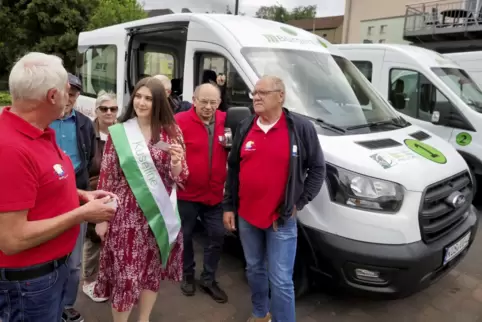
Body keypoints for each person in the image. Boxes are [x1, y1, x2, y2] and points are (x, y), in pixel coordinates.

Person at [0, 52, 116, 322]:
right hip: (28, 284)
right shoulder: (10, 149)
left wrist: (81, 196)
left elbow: (41, 187)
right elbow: (11, 239)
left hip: (48, 273)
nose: (70, 97)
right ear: (53, 96)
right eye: (67, 91)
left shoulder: (38, 131)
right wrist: (83, 214)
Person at [222, 76, 326, 322]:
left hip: (281, 219)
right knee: (254, 269)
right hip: (247, 217)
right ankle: (260, 313)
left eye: (263, 93)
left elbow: (318, 169)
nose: (256, 97)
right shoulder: (246, 126)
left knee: (280, 281)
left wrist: (299, 203)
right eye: (254, 93)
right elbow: (234, 168)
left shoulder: (299, 129)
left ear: (281, 96)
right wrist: (228, 206)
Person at [93, 77, 189, 322]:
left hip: (158, 215)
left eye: (148, 98)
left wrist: (176, 163)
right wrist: (101, 218)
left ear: (159, 101)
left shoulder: (171, 132)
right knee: (125, 277)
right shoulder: (120, 132)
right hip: (125, 216)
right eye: (138, 96)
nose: (142, 102)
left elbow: (181, 176)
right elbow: (107, 176)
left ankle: (144, 318)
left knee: (150, 272)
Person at [175, 83, 229, 303]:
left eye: (213, 102)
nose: (208, 106)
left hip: (215, 194)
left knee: (217, 235)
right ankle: (187, 274)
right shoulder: (179, 121)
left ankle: (208, 278)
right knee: (185, 237)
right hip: (186, 194)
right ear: (194, 100)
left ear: (219, 103)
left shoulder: (228, 122)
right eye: (203, 101)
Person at [49, 73, 96, 322]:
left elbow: (88, 157)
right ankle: (49, 303)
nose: (68, 99)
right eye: (65, 92)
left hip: (76, 196)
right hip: (47, 200)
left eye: (74, 94)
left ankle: (67, 305)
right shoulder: (43, 121)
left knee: (75, 262)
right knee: (48, 256)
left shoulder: (85, 123)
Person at [82, 90, 118, 303]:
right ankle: (88, 280)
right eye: (104, 109)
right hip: (94, 191)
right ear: (96, 110)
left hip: (118, 192)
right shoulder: (88, 132)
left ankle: (107, 277)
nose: (108, 112)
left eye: (113, 108)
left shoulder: (122, 131)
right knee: (93, 238)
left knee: (113, 237)